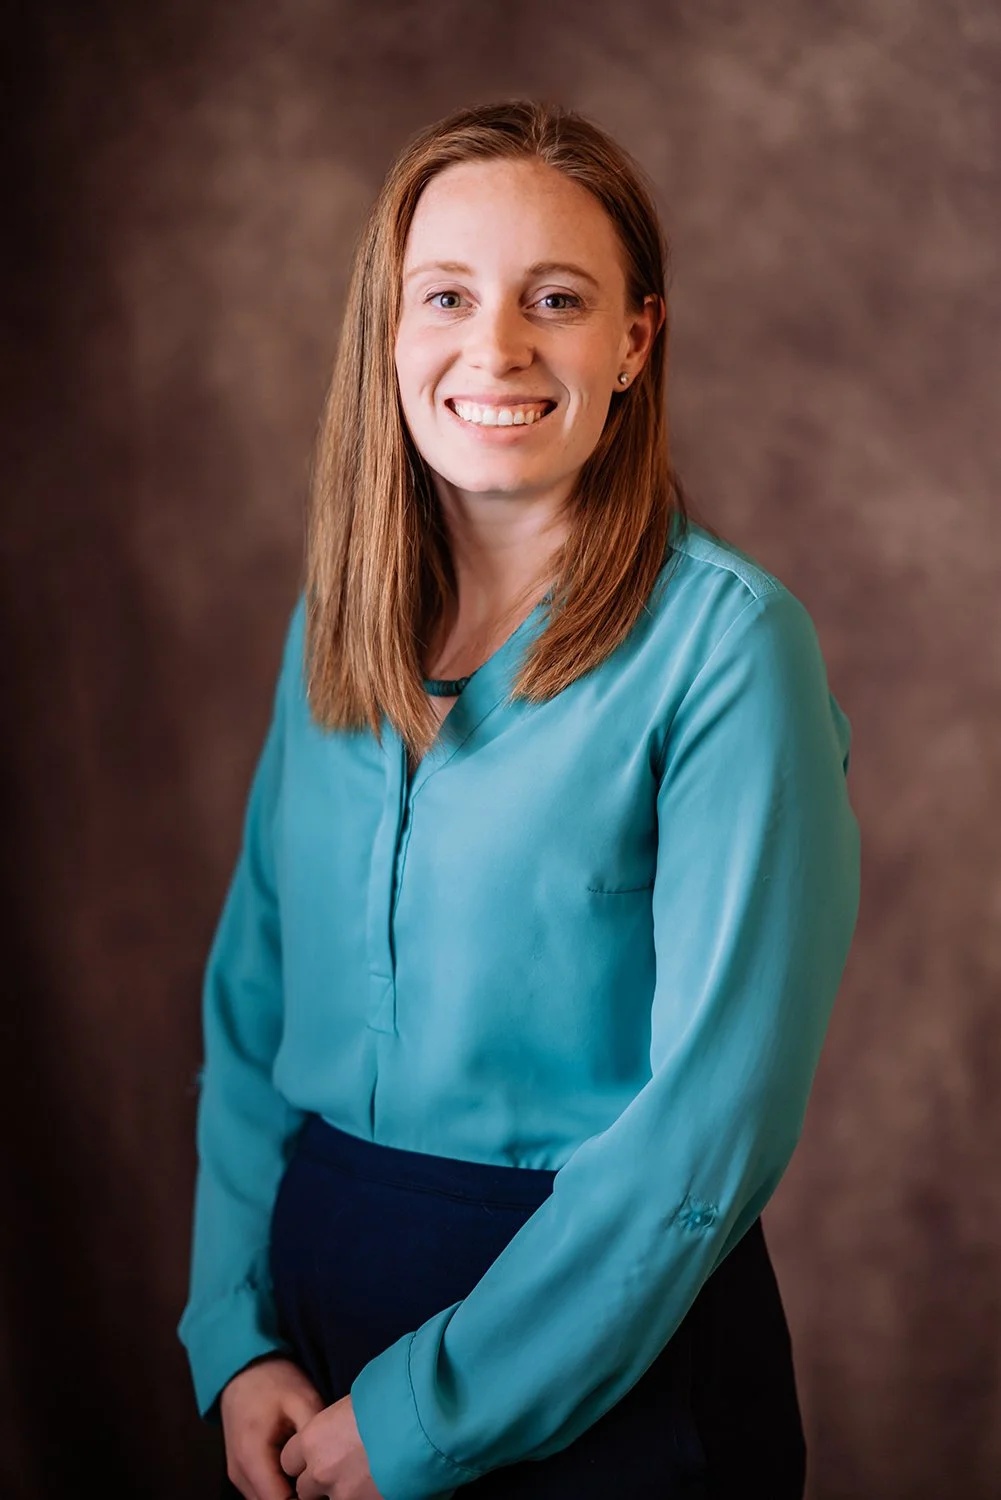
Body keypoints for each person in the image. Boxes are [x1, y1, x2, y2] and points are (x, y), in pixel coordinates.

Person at [177, 98, 860, 1500]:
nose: (495, 347)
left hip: (608, 1369)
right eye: (447, 295)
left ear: (634, 341)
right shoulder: (333, 629)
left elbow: (709, 1126)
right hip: (305, 1356)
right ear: (391, 332)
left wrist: (432, 1410)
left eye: (556, 299)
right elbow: (249, 1020)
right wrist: (233, 1337)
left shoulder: (732, 649)